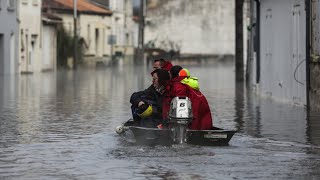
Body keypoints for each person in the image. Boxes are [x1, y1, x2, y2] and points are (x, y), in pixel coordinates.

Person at [161, 66, 213, 130]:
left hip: (194, 118)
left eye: (169, 74)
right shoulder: (188, 84)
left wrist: (166, 124)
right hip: (202, 116)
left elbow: (180, 106)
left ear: (171, 75)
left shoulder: (178, 86)